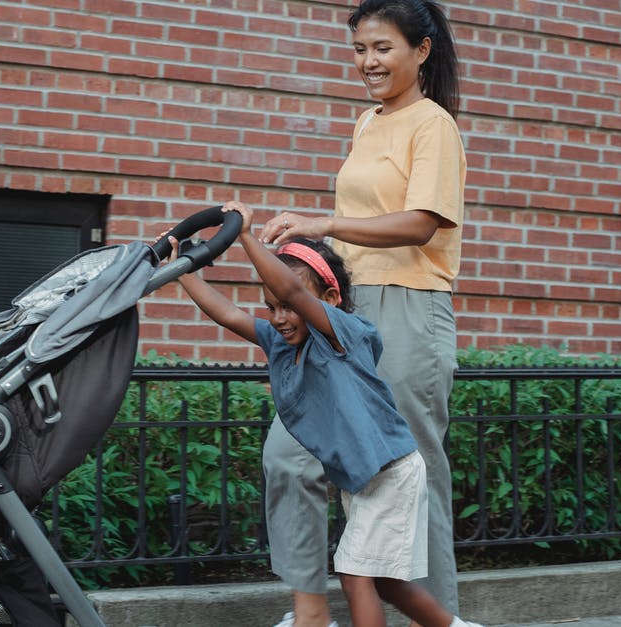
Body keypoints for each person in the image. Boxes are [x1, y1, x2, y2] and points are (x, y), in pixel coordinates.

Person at [164, 202, 481, 627]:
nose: (279, 318)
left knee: (354, 574)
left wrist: (244, 237)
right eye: (271, 307)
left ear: (331, 299)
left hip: (391, 474)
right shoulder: (281, 343)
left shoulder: (344, 335)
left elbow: (295, 293)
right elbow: (229, 314)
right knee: (386, 583)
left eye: (288, 306)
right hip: (365, 480)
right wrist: (184, 269)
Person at [255, 1, 467, 626]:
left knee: (408, 475)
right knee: (290, 453)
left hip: (407, 307)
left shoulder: (433, 125)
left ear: (421, 51)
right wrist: (304, 251)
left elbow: (422, 223)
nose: (368, 61)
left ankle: (434, 621)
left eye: (382, 48)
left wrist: (325, 220)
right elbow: (354, 231)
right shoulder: (367, 123)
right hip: (343, 309)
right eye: (359, 49)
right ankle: (311, 611)